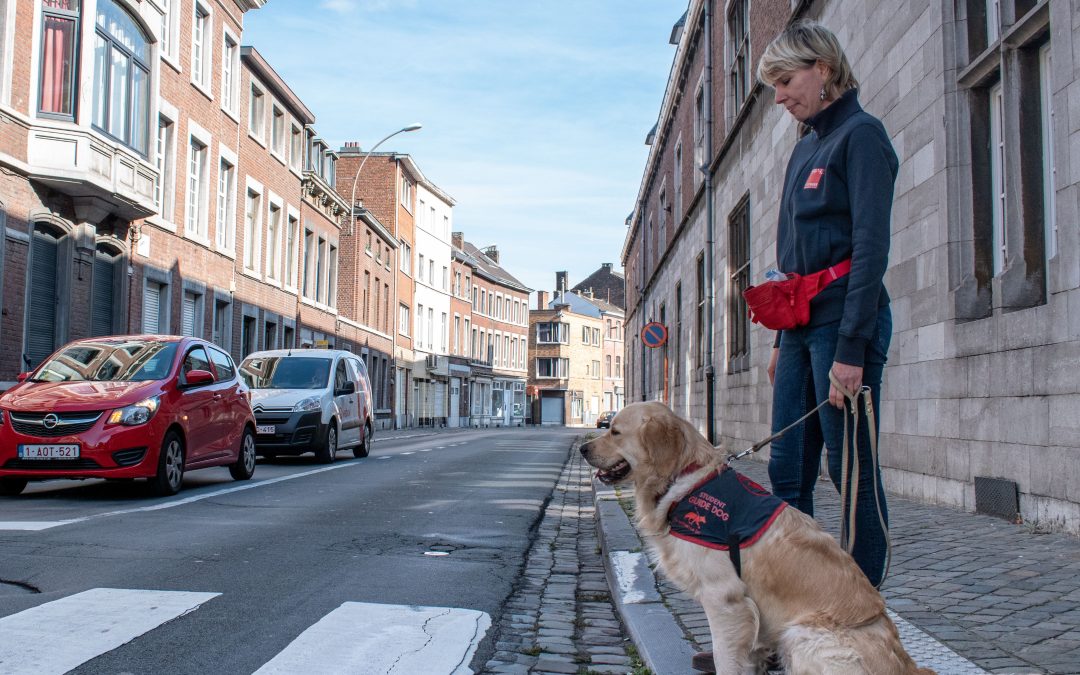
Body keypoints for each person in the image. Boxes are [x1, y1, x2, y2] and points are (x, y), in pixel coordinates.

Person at [758, 20, 899, 588]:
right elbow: (790, 253)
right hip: (797, 330)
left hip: (843, 324)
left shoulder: (861, 136)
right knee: (786, 472)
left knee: (851, 474)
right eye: (773, 85)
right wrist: (778, 339)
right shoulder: (804, 147)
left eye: (787, 80)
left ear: (823, 69)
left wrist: (851, 349)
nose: (780, 96)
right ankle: (801, 606)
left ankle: (863, 611)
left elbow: (871, 249)